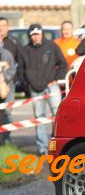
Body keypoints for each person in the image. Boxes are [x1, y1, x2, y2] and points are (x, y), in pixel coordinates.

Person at [17, 24, 67, 155]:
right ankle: (42, 148)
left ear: (42, 34)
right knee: (39, 118)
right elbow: (20, 70)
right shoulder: (24, 50)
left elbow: (63, 64)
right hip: (34, 89)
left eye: (38, 34)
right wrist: (26, 85)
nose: (36, 37)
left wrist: (56, 79)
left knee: (57, 116)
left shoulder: (51, 46)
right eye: (33, 35)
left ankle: (56, 147)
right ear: (30, 36)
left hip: (51, 87)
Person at [0, 17, 22, 144]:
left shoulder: (13, 42)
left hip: (8, 83)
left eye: (3, 25)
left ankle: (6, 139)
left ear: (7, 27)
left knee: (7, 111)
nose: (1, 28)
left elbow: (20, 62)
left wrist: (10, 78)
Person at [0, 44, 17, 145]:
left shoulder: (7, 54)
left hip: (6, 87)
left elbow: (12, 70)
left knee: (7, 112)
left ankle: (6, 139)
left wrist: (3, 78)